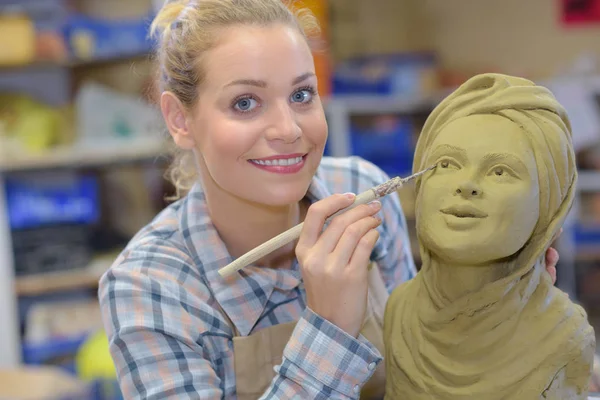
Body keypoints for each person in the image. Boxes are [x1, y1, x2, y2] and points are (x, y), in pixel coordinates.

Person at [98, 1, 561, 399]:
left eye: (302, 94)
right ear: (180, 119)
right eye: (245, 103)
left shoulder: (361, 190)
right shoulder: (148, 288)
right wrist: (330, 328)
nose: (289, 129)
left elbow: (422, 374)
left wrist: (499, 310)